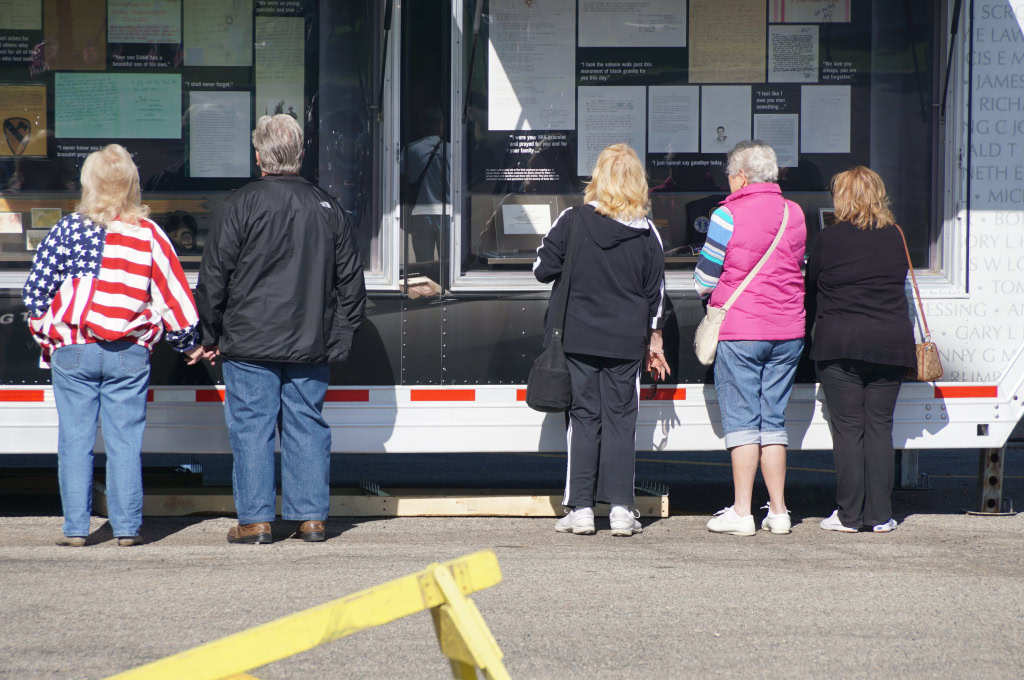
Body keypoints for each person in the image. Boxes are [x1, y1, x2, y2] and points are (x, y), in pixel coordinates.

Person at [21, 144, 205, 547]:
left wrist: (49, 335)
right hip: (128, 353)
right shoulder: (149, 234)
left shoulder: (67, 229)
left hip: (72, 348)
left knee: (74, 440)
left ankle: (74, 529)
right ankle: (125, 528)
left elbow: (35, 294)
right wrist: (189, 343)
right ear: (132, 185)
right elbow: (172, 295)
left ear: (89, 183)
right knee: (124, 441)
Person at [196, 114, 366, 545]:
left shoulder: (240, 204)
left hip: (248, 341)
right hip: (311, 340)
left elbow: (214, 277)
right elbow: (351, 284)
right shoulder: (328, 206)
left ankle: (255, 522)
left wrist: (209, 335)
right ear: (301, 155)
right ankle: (310, 519)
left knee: (251, 428)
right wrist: (339, 339)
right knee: (306, 424)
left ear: (259, 156)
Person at [534, 143, 669, 537]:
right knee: (621, 421)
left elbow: (541, 269)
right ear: (637, 183)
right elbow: (655, 296)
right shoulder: (647, 233)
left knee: (583, 418)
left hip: (578, 337)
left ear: (599, 178)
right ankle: (622, 511)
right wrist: (654, 342)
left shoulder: (572, 219)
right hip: (626, 340)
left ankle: (580, 510)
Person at [694, 140, 806, 536]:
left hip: (742, 330)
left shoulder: (726, 215)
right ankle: (778, 512)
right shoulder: (795, 213)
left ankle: (742, 512)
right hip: (789, 330)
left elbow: (705, 279)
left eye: (728, 174)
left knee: (743, 421)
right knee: (773, 420)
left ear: (741, 176)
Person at [805, 167, 916, 533]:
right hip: (890, 345)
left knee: (849, 431)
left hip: (841, 345)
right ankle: (881, 516)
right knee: (880, 429)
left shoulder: (828, 239)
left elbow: (811, 290)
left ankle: (850, 515)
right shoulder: (896, 236)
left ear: (843, 198)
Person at [405, 108, 450, 263]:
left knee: (423, 266)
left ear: (421, 126)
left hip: (421, 214)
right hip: (448, 214)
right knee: (449, 267)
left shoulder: (411, 149)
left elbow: (403, 182)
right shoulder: (453, 150)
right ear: (441, 126)